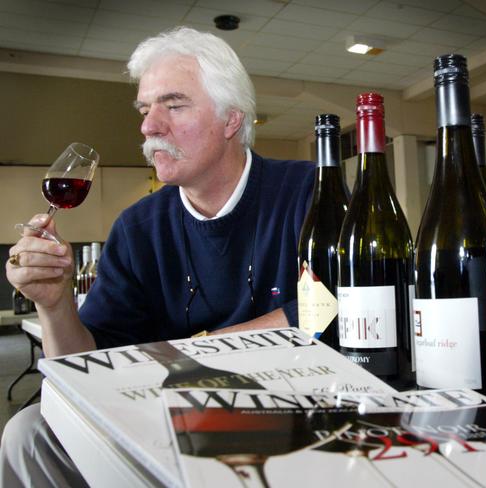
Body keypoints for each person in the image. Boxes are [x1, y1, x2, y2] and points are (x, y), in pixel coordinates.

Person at [1, 27, 315, 487]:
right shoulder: (136, 228)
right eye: (146, 109)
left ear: (231, 119)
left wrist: (190, 352)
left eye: (173, 104)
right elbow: (84, 368)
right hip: (170, 414)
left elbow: (337, 305)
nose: (149, 126)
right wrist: (55, 303)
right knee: (27, 432)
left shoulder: (308, 191)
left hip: (292, 406)